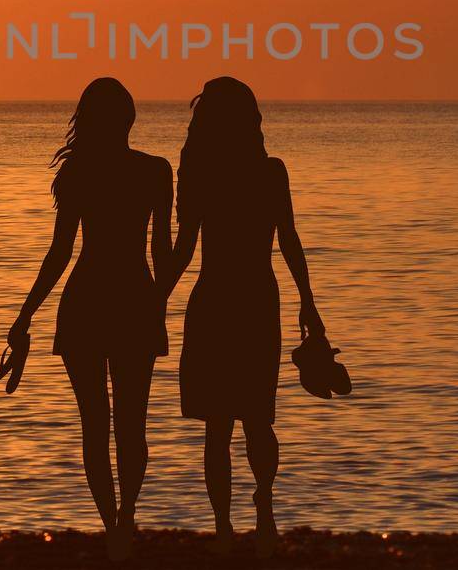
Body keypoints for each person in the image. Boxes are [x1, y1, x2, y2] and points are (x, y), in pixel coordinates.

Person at [7, 78, 173, 561]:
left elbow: (61, 253)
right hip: (135, 300)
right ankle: (126, 518)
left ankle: (112, 527)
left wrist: (25, 315)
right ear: (129, 119)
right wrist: (158, 299)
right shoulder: (155, 171)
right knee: (131, 424)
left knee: (95, 424)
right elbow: (162, 250)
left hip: (84, 301)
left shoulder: (79, 171)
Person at [164, 77, 326, 557]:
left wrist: (157, 298)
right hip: (257, 298)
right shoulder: (271, 171)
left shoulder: (199, 172)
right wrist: (308, 302)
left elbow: (184, 248)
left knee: (220, 423)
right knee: (256, 417)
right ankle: (264, 506)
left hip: (216, 298)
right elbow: (289, 241)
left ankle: (224, 526)